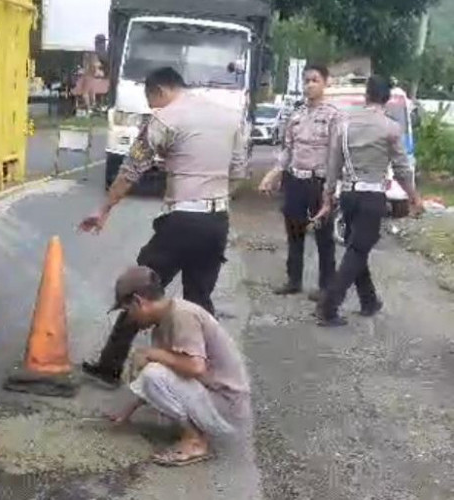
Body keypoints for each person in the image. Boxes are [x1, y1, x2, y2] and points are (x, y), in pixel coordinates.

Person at [78, 67, 246, 389]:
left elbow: (132, 168)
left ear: (159, 91)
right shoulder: (230, 117)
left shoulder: (166, 118)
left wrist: (104, 210)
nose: (153, 109)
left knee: (139, 289)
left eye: (151, 102)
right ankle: (210, 373)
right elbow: (237, 172)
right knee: (199, 300)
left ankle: (110, 366)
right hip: (216, 221)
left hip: (181, 221)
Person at [106, 266, 252, 466]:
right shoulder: (164, 322)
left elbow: (195, 367)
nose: (128, 317)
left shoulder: (182, 316)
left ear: (139, 302)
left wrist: (152, 354)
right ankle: (196, 430)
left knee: (152, 373)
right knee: (154, 372)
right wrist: (126, 413)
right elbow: (168, 376)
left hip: (226, 406)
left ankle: (194, 442)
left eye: (127, 310)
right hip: (216, 400)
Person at [314, 76, 424, 326]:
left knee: (357, 245)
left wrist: (328, 198)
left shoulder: (344, 125)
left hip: (349, 195)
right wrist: (415, 198)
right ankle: (328, 306)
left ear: (367, 95)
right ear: (386, 98)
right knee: (358, 249)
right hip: (372, 196)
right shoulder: (390, 128)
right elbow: (401, 169)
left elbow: (333, 165)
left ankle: (369, 300)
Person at [259, 63, 340, 302]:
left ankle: (327, 286)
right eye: (306, 81)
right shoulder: (296, 115)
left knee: (324, 236)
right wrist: (272, 174)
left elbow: (336, 154)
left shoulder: (333, 116)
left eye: (315, 80)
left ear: (326, 83)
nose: (309, 85)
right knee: (294, 232)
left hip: (320, 182)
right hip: (295, 180)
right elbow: (288, 150)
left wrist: (331, 189)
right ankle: (294, 280)